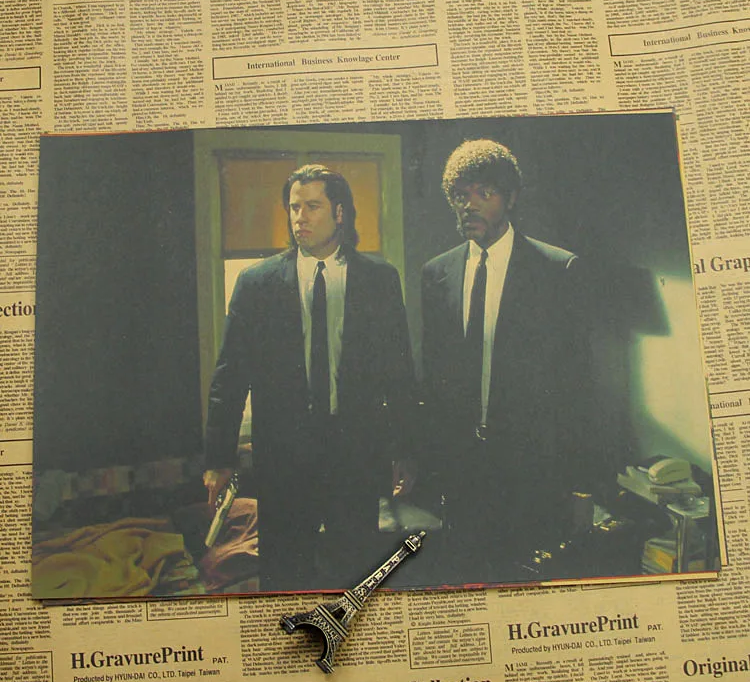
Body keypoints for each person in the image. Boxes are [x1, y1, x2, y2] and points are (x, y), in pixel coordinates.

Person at [203, 164, 415, 591]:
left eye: (312, 207)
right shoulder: (257, 283)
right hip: (284, 460)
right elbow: (230, 377)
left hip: (354, 457)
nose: (299, 217)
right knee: (284, 576)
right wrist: (218, 459)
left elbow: (399, 375)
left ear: (340, 213)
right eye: (294, 207)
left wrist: (406, 450)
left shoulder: (379, 280)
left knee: (355, 576)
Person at [420, 139, 591, 585]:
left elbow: (578, 385)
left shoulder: (556, 270)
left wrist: (581, 482)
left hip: (530, 469)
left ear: (510, 198)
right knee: (466, 580)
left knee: (525, 585)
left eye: (485, 193)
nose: (470, 205)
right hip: (460, 468)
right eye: (461, 195)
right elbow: (434, 378)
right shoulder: (436, 273)